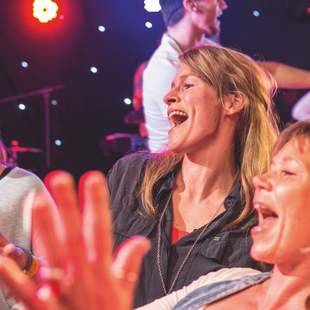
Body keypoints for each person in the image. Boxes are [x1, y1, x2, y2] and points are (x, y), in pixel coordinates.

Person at [1, 120, 310, 310]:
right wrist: (31, 268)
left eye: (287, 172)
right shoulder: (230, 281)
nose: (260, 179)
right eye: (269, 169)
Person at [112, 45, 278, 307]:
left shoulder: (260, 218)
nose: (168, 97)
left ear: (232, 101)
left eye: (187, 85)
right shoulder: (132, 178)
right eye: (171, 86)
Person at [143, 0, 310, 152]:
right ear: (193, 5)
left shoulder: (208, 49)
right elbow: (191, 140)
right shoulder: (167, 69)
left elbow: (267, 72)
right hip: (174, 174)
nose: (223, 5)